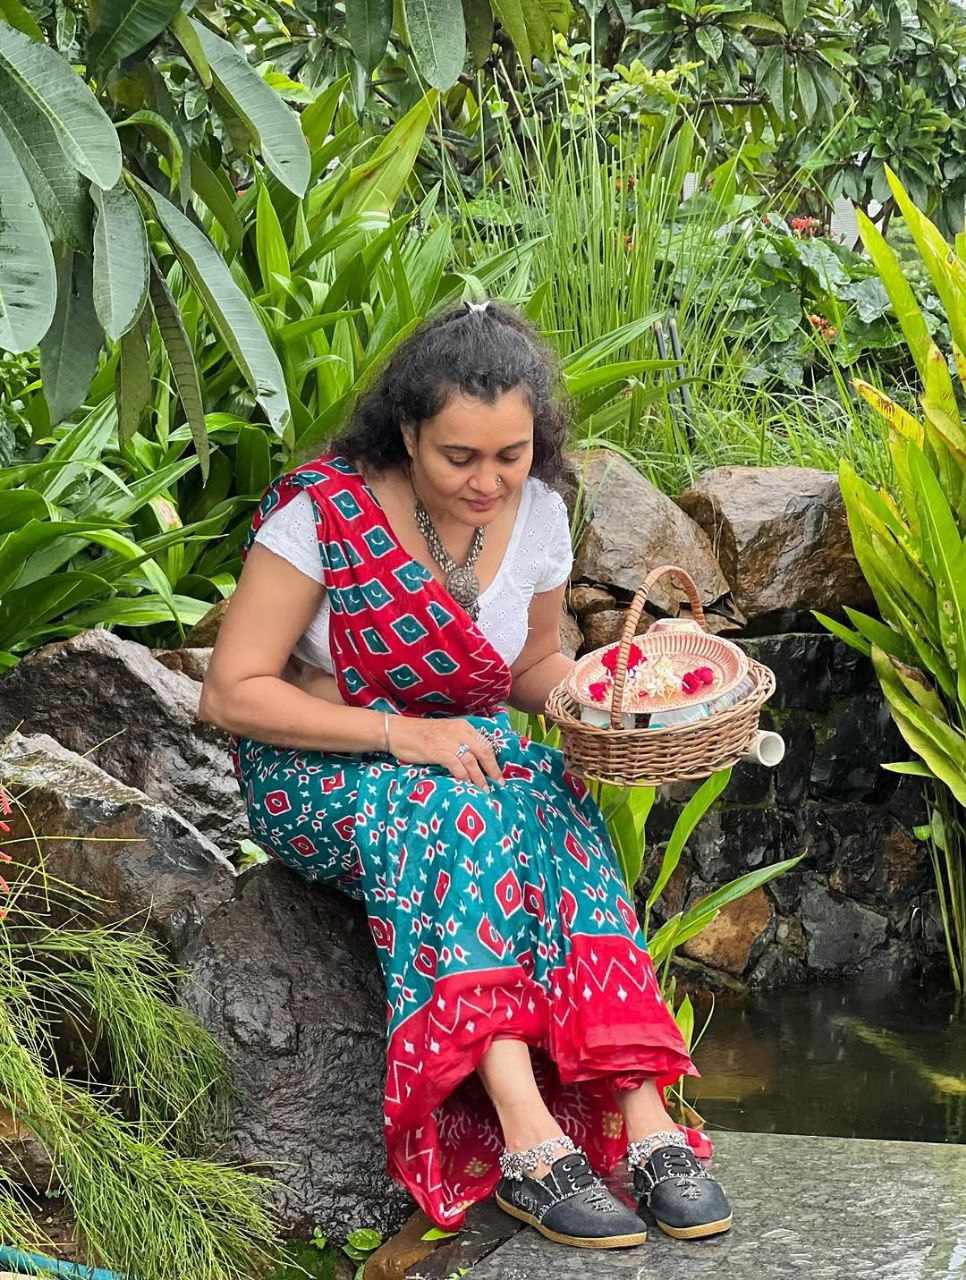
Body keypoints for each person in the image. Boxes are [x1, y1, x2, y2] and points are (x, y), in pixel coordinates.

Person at [199, 300, 732, 1249]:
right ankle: (529, 1140)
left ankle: (642, 1115)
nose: (488, 482)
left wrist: (617, 698)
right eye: (459, 457)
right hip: (316, 771)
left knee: (554, 796)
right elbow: (232, 692)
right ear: (407, 434)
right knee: (460, 811)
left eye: (511, 455)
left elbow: (530, 667)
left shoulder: (540, 514)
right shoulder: (321, 513)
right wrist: (400, 732)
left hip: (461, 751)